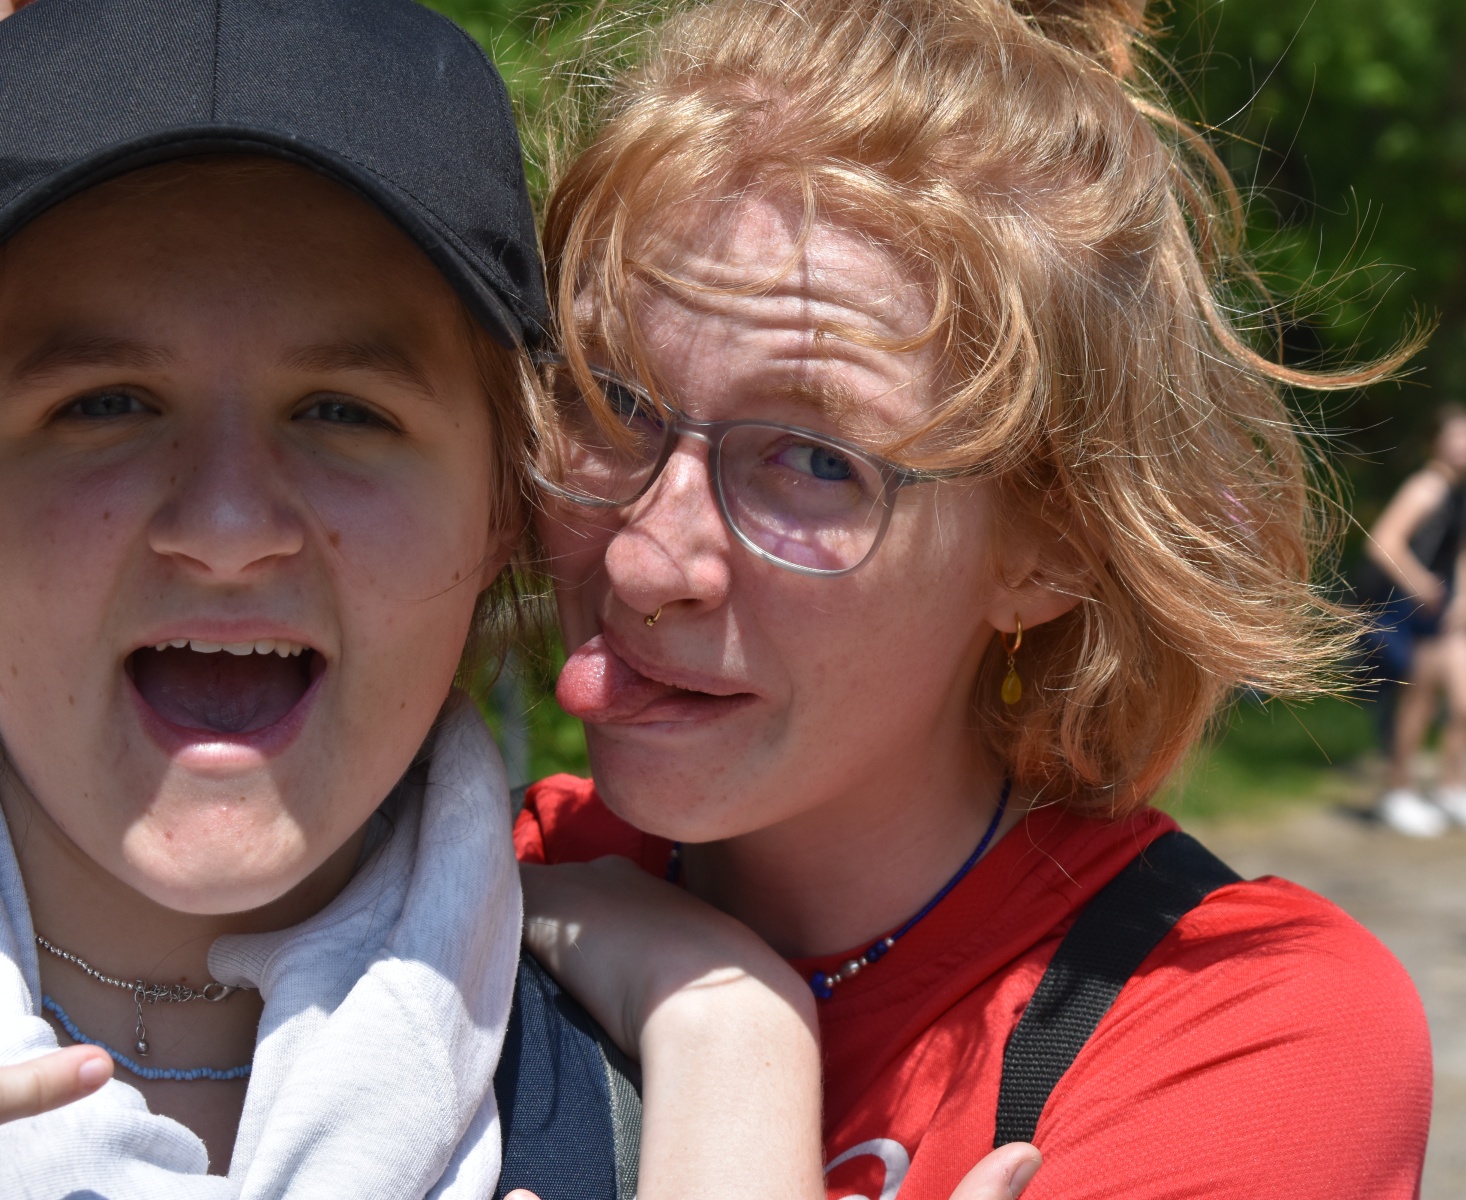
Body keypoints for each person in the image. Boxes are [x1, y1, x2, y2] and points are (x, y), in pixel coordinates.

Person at [514, 1, 1434, 1196]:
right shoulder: (467, 879)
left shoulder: (1239, 1029)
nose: (645, 561)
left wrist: (724, 1030)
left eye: (816, 459)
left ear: (1051, 550)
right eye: (611, 399)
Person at [0, 2, 868, 1195]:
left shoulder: (671, 1126)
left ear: (508, 499)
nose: (227, 528)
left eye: (342, 411)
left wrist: (731, 1036)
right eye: (103, 404)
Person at [1359, 404, 1466, 837]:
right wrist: (1418, 583)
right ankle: (1398, 791)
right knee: (1418, 703)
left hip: (1445, 613)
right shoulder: (1425, 487)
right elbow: (1382, 540)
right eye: (1458, 436)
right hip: (1410, 612)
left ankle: (1452, 788)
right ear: (1436, 442)